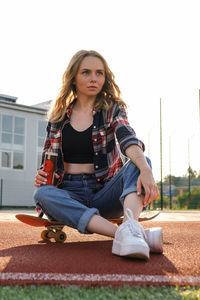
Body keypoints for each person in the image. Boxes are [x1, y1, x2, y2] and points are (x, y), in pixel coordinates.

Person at [34, 50, 162, 260]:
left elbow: (127, 138)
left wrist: (146, 170)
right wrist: (41, 176)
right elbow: (48, 162)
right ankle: (130, 235)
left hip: (105, 193)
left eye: (99, 73)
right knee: (41, 194)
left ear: (105, 77)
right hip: (69, 193)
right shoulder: (57, 116)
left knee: (141, 162)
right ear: (73, 77)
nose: (94, 78)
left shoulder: (112, 109)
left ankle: (130, 227)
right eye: (86, 72)